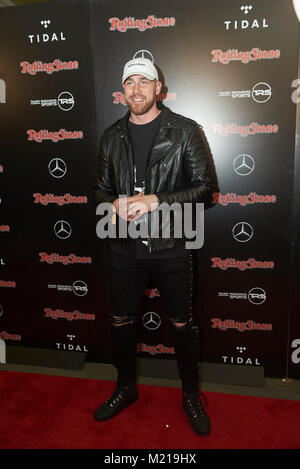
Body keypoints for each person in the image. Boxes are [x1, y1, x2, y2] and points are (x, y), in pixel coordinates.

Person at [92, 57, 213, 436]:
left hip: (173, 244)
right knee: (120, 321)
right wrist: (111, 203)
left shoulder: (185, 130)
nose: (137, 89)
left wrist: (155, 200)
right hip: (124, 246)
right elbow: (99, 189)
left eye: (145, 81)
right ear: (122, 91)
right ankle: (125, 387)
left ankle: (191, 394)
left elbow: (206, 190)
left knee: (181, 323)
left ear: (159, 88)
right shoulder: (112, 136)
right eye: (130, 82)